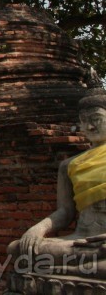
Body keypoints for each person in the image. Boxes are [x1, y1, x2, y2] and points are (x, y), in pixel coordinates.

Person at [9, 88, 106, 268]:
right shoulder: (69, 165)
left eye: (96, 119)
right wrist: (38, 229)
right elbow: (66, 212)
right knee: (17, 250)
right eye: (84, 122)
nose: (90, 127)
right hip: (81, 240)